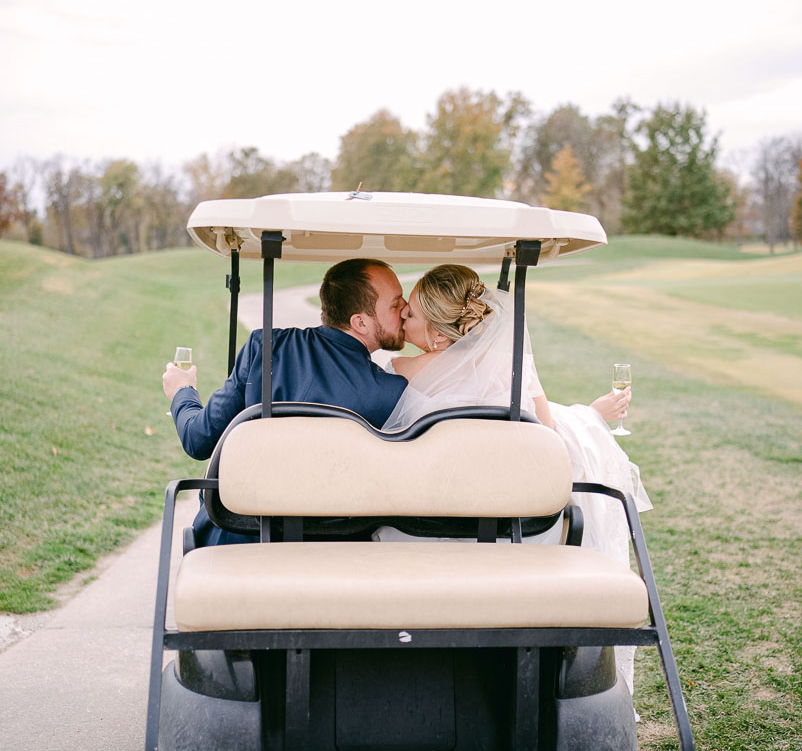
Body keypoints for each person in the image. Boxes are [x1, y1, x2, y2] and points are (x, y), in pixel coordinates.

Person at [381, 263, 651, 696]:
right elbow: (555, 447)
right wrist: (590, 420)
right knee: (577, 428)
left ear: (435, 330)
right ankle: (595, 414)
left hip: (425, 533)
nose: (403, 319)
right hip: (518, 534)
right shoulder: (513, 368)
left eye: (410, 313)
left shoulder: (399, 370)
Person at [162, 258, 409, 545]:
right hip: (333, 544)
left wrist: (183, 390)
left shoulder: (265, 347)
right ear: (360, 322)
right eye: (396, 304)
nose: (405, 310)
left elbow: (198, 438)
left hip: (240, 533)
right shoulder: (390, 392)